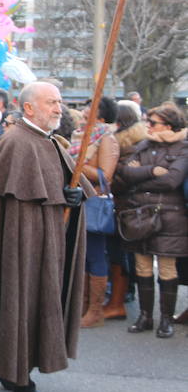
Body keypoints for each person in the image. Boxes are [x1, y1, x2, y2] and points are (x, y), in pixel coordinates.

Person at [0, 81, 90, 392]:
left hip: (46, 240)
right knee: (21, 301)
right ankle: (21, 381)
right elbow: (4, 202)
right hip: (21, 244)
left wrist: (75, 195)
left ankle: (5, 364)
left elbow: (64, 186)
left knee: (35, 300)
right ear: (29, 107)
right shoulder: (15, 142)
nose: (58, 108)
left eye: (59, 102)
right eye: (51, 102)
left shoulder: (49, 141)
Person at [112, 105, 188, 338]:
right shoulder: (143, 144)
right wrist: (153, 170)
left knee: (166, 268)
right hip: (139, 215)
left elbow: (172, 181)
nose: (148, 126)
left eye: (153, 122)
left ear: (169, 125)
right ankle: (145, 316)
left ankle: (166, 320)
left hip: (170, 217)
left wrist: (140, 176)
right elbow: (124, 173)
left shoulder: (183, 147)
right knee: (142, 267)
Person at [70, 97, 120, 328]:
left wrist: (77, 163)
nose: (83, 111)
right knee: (81, 254)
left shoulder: (106, 138)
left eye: (89, 108)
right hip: (77, 201)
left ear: (101, 114)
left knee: (95, 255)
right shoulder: (80, 136)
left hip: (94, 202)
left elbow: (105, 175)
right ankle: (82, 305)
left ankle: (95, 310)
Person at [104, 103, 148, 318]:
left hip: (128, 206)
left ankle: (122, 297)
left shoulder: (129, 145)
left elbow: (122, 178)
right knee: (126, 253)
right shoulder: (130, 142)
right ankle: (123, 295)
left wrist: (114, 173)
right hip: (128, 206)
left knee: (123, 254)